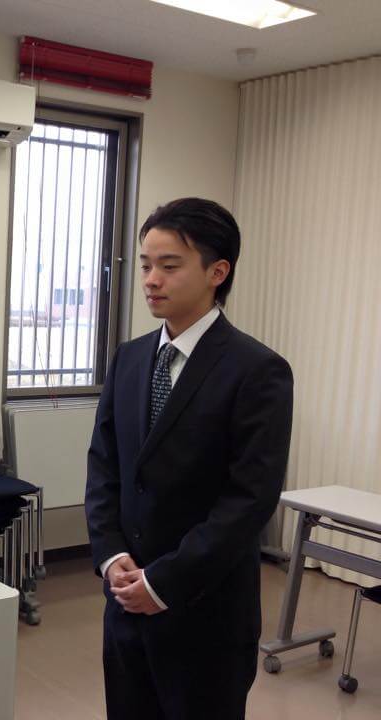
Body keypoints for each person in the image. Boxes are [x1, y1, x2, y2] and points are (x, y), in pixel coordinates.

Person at [84, 197, 293, 719]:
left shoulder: (257, 370)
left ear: (217, 272)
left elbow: (249, 500)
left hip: (205, 612)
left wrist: (164, 582)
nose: (151, 280)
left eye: (169, 266)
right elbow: (105, 465)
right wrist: (110, 554)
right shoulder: (130, 357)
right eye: (146, 265)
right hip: (125, 603)